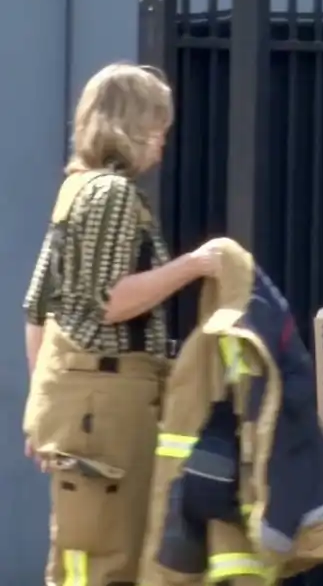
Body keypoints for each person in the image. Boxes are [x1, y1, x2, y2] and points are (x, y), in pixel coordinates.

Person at [21, 62, 223, 586]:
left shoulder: (76, 189)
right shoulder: (111, 195)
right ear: (131, 125)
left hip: (82, 401)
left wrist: (44, 404)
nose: (163, 141)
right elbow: (111, 301)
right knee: (110, 556)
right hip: (108, 401)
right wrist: (195, 265)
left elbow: (38, 308)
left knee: (84, 552)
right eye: (158, 125)